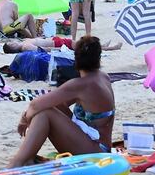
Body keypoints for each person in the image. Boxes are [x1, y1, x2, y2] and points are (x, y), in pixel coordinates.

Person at [8, 37, 115, 167]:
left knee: (44, 113)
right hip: (97, 144)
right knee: (50, 107)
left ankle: (19, 161)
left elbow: (35, 104)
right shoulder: (103, 77)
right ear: (98, 58)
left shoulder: (81, 85)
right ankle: (26, 158)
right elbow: (59, 104)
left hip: (96, 151)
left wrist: (24, 121)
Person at [3, 36, 122, 53]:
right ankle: (109, 48)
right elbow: (43, 49)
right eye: (11, 43)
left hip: (56, 40)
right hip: (58, 44)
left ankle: (103, 46)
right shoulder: (25, 47)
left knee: (82, 44)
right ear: (13, 47)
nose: (13, 42)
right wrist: (60, 49)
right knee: (83, 45)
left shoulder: (23, 42)